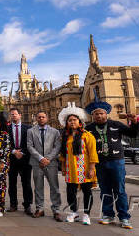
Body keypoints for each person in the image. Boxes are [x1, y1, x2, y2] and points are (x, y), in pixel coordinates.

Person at [85, 94, 138, 229]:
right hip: (100, 163)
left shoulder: (116, 124)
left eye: (101, 113)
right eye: (96, 114)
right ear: (93, 115)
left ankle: (124, 217)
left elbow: (132, 134)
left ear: (106, 113)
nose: (99, 116)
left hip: (116, 161)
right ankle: (108, 215)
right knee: (105, 190)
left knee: (120, 190)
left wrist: (135, 122)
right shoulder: (89, 129)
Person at [58, 102, 98, 225]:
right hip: (71, 169)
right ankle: (73, 212)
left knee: (87, 192)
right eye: (69, 120)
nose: (72, 122)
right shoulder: (65, 137)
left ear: (79, 122)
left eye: (74, 120)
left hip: (85, 168)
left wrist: (91, 168)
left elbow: (92, 153)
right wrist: (63, 168)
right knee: (70, 192)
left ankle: (86, 214)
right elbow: (63, 154)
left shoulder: (87, 135)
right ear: (67, 123)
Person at [27, 111, 62, 222]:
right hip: (37, 162)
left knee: (54, 187)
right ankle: (40, 208)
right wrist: (41, 158)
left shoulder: (55, 132)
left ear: (46, 118)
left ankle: (56, 210)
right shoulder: (30, 131)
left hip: (51, 163)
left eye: (43, 117)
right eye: (39, 117)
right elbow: (29, 146)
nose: (41, 118)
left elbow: (57, 147)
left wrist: (48, 158)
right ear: (36, 119)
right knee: (38, 187)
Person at [7, 108, 33, 215]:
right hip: (12, 158)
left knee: (26, 183)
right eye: (12, 115)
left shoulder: (28, 128)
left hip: (25, 158)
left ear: (20, 115)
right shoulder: (6, 128)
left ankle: (27, 205)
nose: (13, 116)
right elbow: (5, 143)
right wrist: (13, 151)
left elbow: (31, 143)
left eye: (15, 114)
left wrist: (22, 152)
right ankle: (13, 204)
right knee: (12, 183)